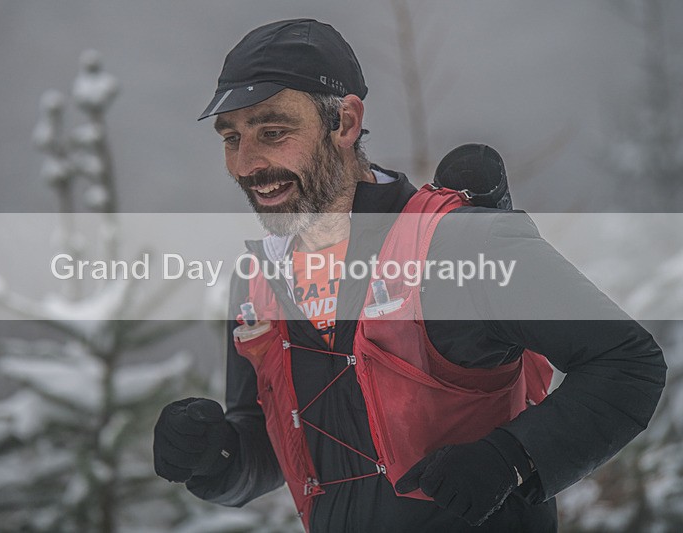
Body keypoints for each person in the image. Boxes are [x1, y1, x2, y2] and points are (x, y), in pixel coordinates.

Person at [153, 19, 666, 532]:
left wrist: (514, 458)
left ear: (345, 123)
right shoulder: (258, 279)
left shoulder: (458, 245)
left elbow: (627, 363)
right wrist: (214, 457)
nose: (246, 164)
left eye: (273, 132)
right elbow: (274, 448)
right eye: (231, 138)